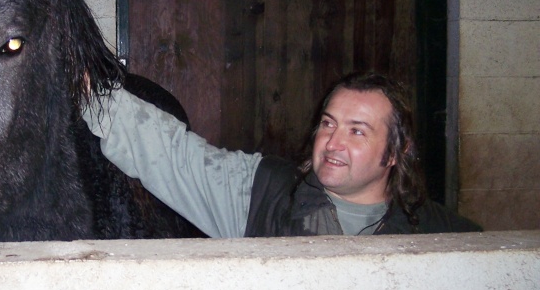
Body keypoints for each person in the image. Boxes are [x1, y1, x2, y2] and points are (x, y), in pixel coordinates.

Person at [83, 71, 481, 237]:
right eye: (328, 123)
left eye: (357, 131)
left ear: (396, 151)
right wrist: (82, 80)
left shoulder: (441, 233)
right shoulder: (263, 193)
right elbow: (168, 151)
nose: (333, 142)